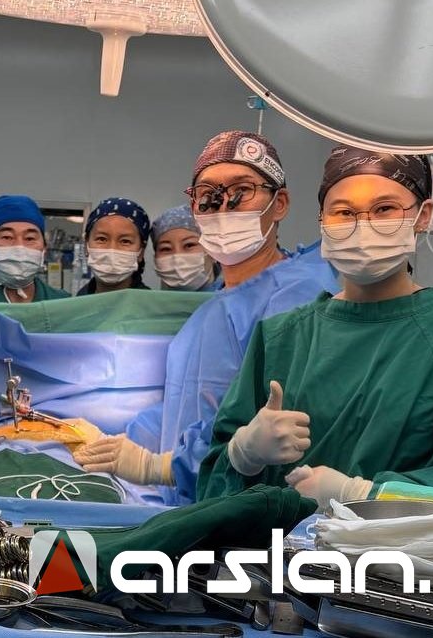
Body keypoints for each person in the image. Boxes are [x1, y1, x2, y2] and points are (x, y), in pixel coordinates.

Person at [196, 144, 433, 506]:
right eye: (343, 212)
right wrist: (243, 456)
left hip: (404, 546)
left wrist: (364, 495)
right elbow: (212, 492)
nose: (362, 225)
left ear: (423, 215)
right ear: (322, 220)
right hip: (282, 544)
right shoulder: (280, 338)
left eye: (384, 209)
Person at [74, 131, 338, 504]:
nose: (223, 206)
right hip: (194, 501)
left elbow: (266, 425)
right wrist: (123, 436)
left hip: (249, 509)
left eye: (242, 190)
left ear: (279, 204)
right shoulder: (215, 305)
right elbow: (186, 405)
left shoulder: (297, 295)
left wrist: (164, 466)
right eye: (208, 194)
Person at [78, 197, 152, 295]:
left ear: (141, 251)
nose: (112, 250)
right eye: (102, 239)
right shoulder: (78, 300)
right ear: (86, 245)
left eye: (125, 241)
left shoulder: (151, 303)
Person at [151, 205, 219, 291]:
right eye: (166, 249)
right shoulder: (144, 299)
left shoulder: (232, 298)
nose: (177, 258)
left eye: (189, 245)